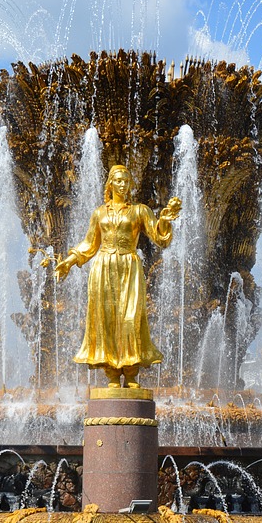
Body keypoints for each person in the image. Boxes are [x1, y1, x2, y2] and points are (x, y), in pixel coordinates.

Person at [54, 164, 181, 388]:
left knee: (131, 319)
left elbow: (160, 238)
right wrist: (69, 261)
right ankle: (112, 373)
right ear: (110, 183)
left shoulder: (140, 210)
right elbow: (89, 244)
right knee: (106, 320)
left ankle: (131, 372)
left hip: (129, 267)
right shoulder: (99, 213)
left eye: (126, 181)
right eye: (119, 181)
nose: (123, 185)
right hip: (103, 269)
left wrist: (165, 220)